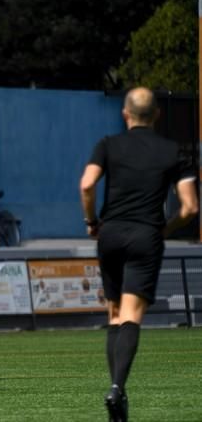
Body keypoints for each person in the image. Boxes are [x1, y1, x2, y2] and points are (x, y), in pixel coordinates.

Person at [79, 87, 198, 421]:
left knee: (115, 314)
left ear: (125, 114)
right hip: (146, 235)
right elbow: (190, 207)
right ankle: (117, 387)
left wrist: (91, 222)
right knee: (131, 315)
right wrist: (166, 229)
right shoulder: (173, 151)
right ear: (157, 114)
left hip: (111, 233)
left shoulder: (108, 145)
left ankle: (118, 390)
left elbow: (87, 185)